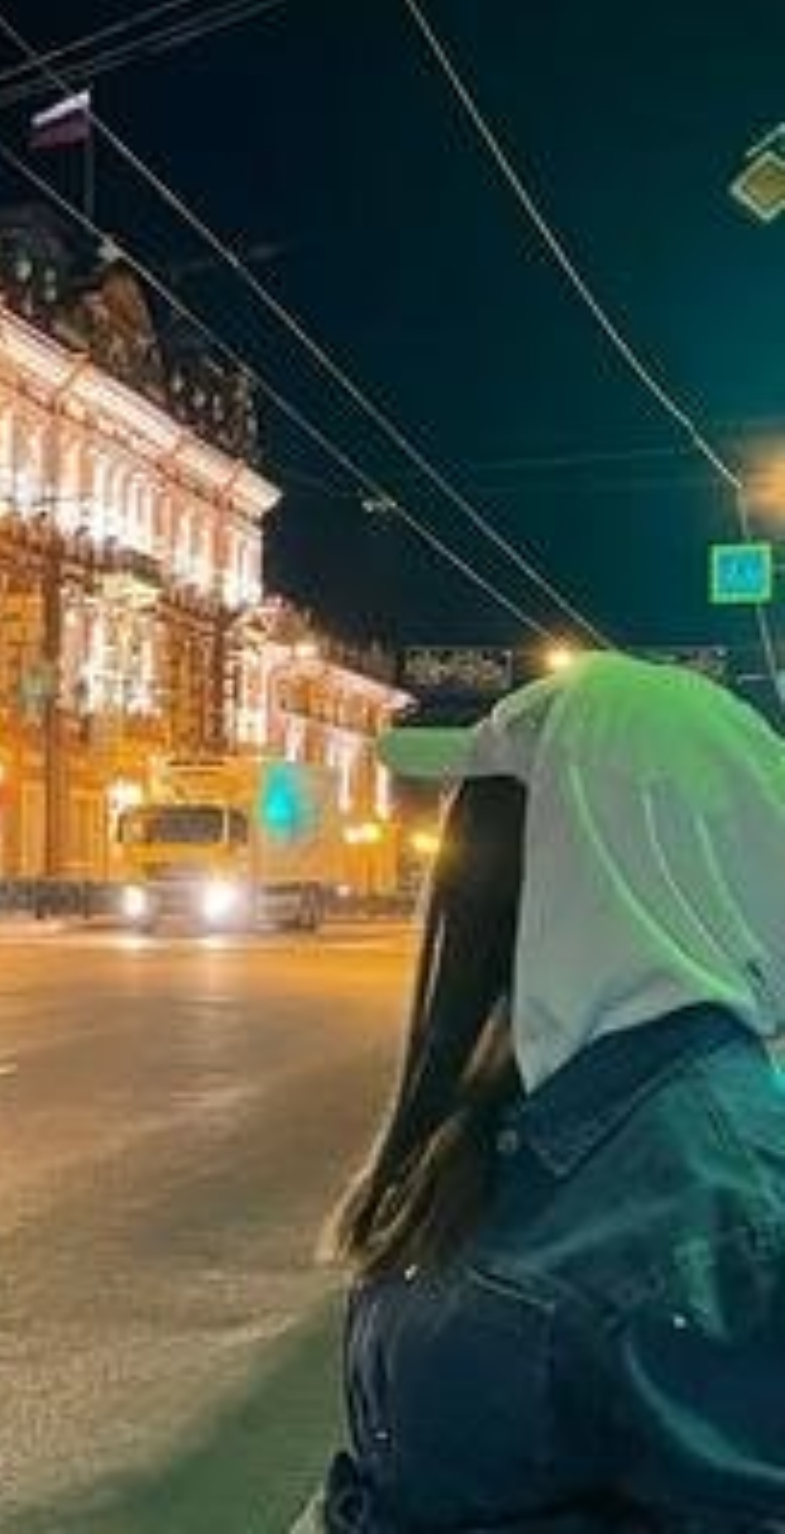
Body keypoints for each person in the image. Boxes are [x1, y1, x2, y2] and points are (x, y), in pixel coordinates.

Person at [298, 652, 785, 1531]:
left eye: (506, 837)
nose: (464, 875)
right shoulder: (518, 1109)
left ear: (632, 859)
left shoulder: (727, 1211)